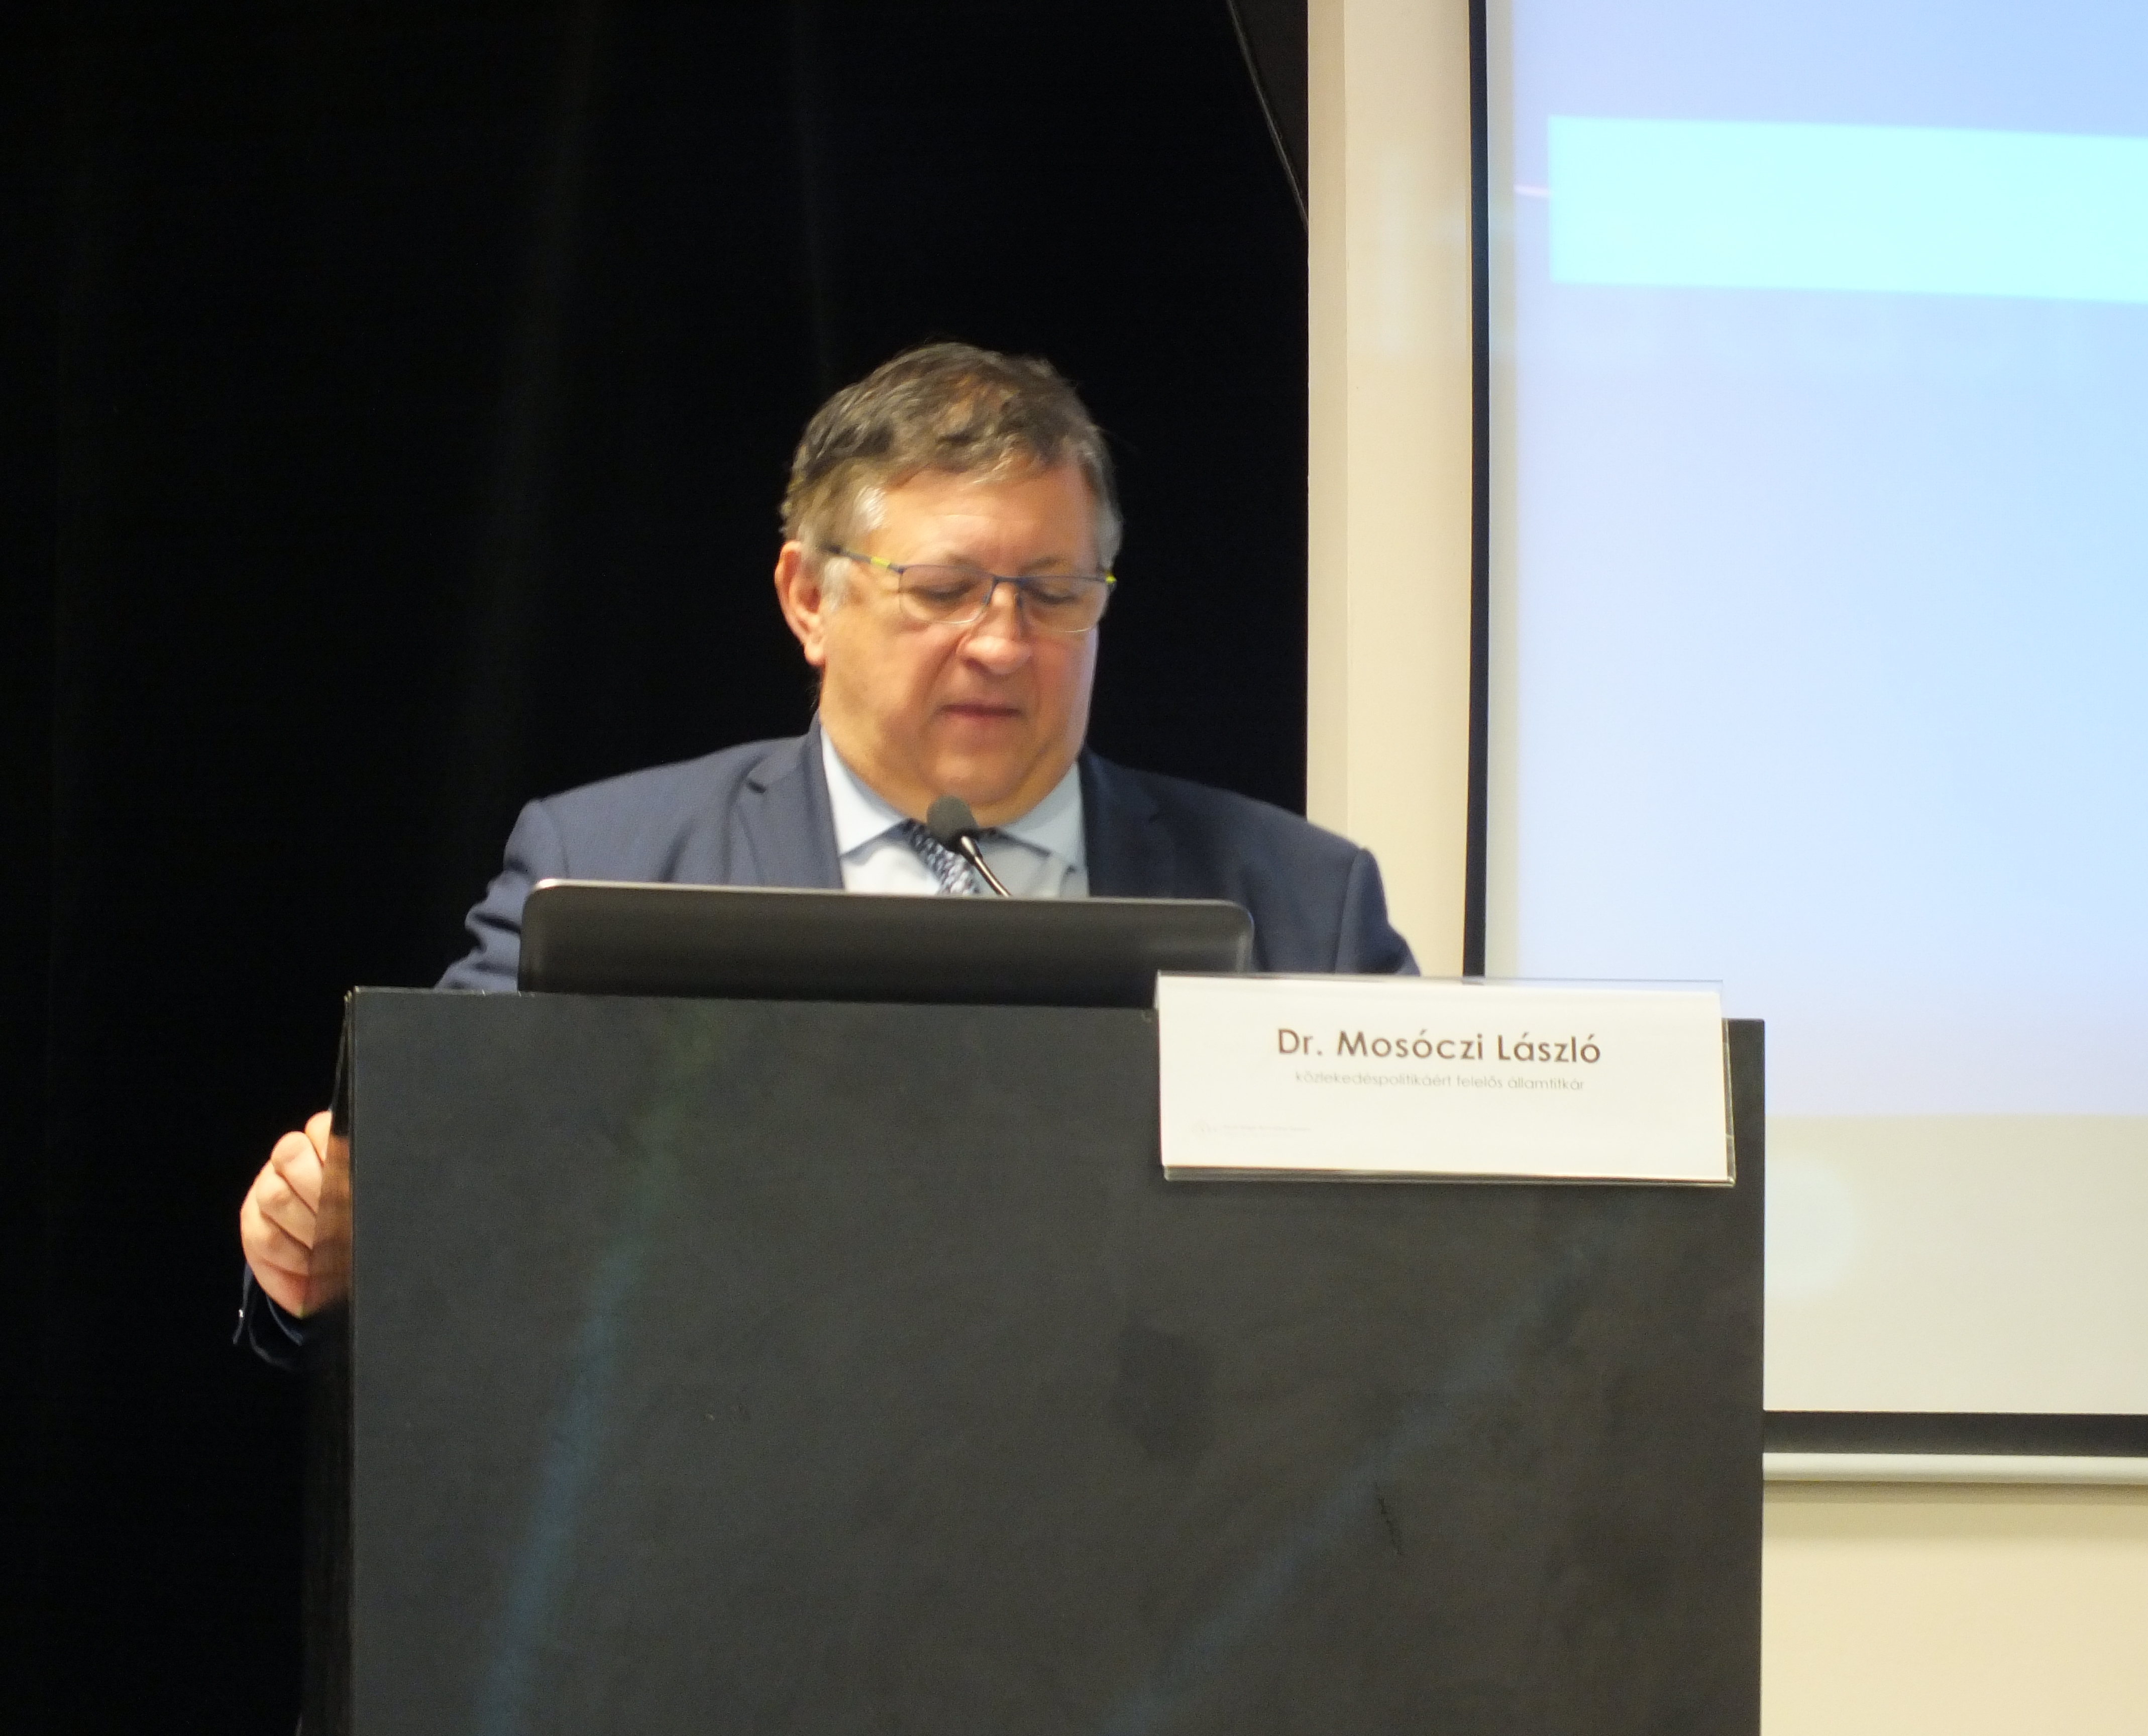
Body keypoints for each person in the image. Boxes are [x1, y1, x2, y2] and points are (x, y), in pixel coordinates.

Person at [237, 342, 1415, 1363]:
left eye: (1054, 594)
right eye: (945, 590)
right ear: (809, 598)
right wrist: (327, 1239)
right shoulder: (606, 863)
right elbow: (444, 1191)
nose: (1003, 644)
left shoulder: (1301, 901)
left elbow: (1419, 1271)